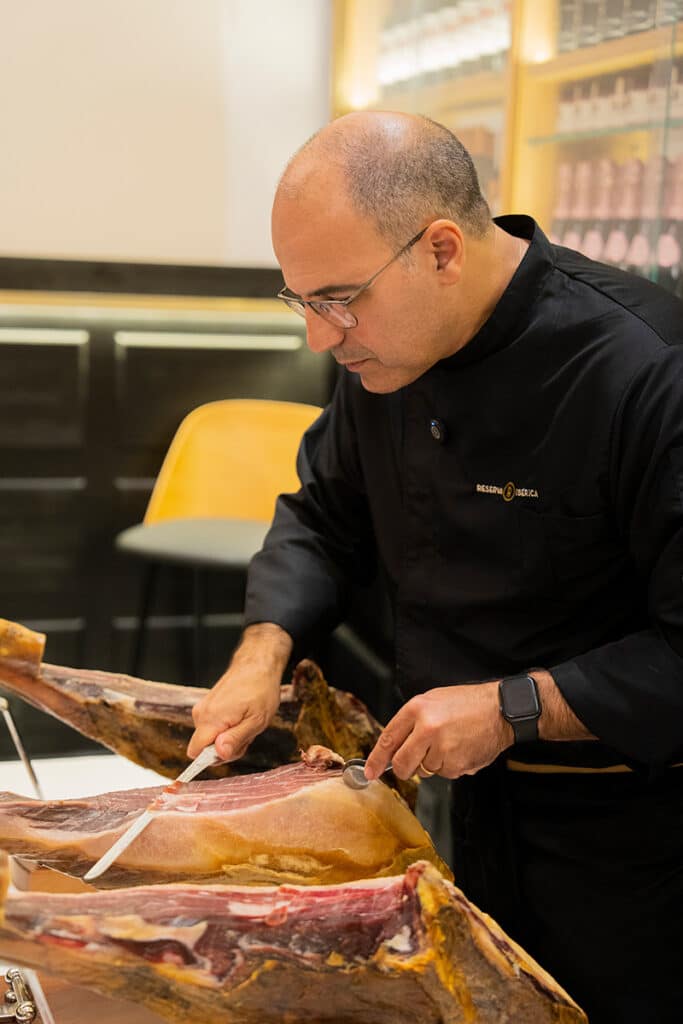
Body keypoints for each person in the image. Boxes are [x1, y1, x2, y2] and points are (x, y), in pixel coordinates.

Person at [187, 111, 683, 1024]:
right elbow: (321, 515)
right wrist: (259, 655)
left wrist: (509, 706)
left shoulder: (647, 368)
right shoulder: (386, 351)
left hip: (623, 839)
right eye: (300, 303)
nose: (319, 338)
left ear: (442, 249)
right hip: (438, 805)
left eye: (337, 300)